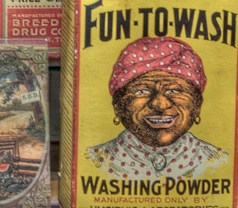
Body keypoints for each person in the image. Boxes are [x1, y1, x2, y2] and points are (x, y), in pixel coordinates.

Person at [87, 36, 227, 180]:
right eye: (142, 91)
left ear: (197, 105)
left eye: (174, 90)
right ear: (118, 106)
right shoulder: (93, 161)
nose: (160, 105)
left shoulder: (219, 161)